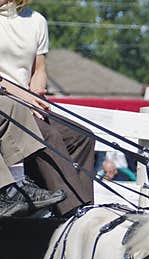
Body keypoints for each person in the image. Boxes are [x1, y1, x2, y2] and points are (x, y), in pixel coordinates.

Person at [0, 0, 95, 217]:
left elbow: (39, 69)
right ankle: (72, 213)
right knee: (47, 136)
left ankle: (76, 202)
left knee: (81, 137)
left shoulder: (36, 21)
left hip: (27, 99)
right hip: (6, 101)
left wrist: (36, 95)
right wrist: (25, 99)